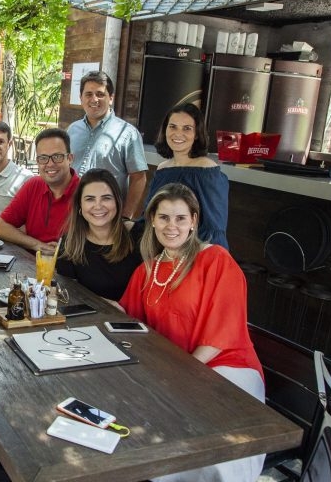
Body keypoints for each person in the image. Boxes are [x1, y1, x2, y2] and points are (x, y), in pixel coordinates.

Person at [119, 183, 264, 482]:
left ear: (194, 221)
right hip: (175, 370)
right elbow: (127, 317)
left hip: (226, 366)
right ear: (153, 220)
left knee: (211, 442)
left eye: (180, 218)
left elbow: (220, 335)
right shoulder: (147, 270)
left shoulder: (216, 260)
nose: (171, 226)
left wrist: (181, 379)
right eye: (163, 218)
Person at [145, 103, 229, 249]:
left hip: (192, 256)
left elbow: (214, 229)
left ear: (197, 134)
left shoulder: (206, 169)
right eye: (173, 126)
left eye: (187, 128)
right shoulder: (162, 169)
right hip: (159, 251)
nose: (178, 133)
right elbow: (149, 215)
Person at [67, 70, 147, 219]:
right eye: (88, 94)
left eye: (100, 94)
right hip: (73, 213)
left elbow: (139, 178)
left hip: (107, 216)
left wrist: (126, 216)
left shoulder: (127, 133)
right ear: (81, 98)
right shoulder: (72, 130)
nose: (94, 99)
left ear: (111, 98)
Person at [56, 169, 143, 305]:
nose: (98, 206)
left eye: (106, 198)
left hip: (142, 322)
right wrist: (105, 305)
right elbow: (68, 295)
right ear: (80, 205)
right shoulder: (69, 243)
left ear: (117, 202)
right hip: (94, 320)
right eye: (90, 199)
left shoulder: (140, 235)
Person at [0, 128, 79, 255]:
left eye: (57, 156)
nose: (50, 164)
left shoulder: (85, 192)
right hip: (32, 266)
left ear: (70, 158)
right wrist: (38, 245)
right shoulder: (34, 185)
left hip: (71, 270)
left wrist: (63, 252)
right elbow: (0, 227)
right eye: (43, 158)